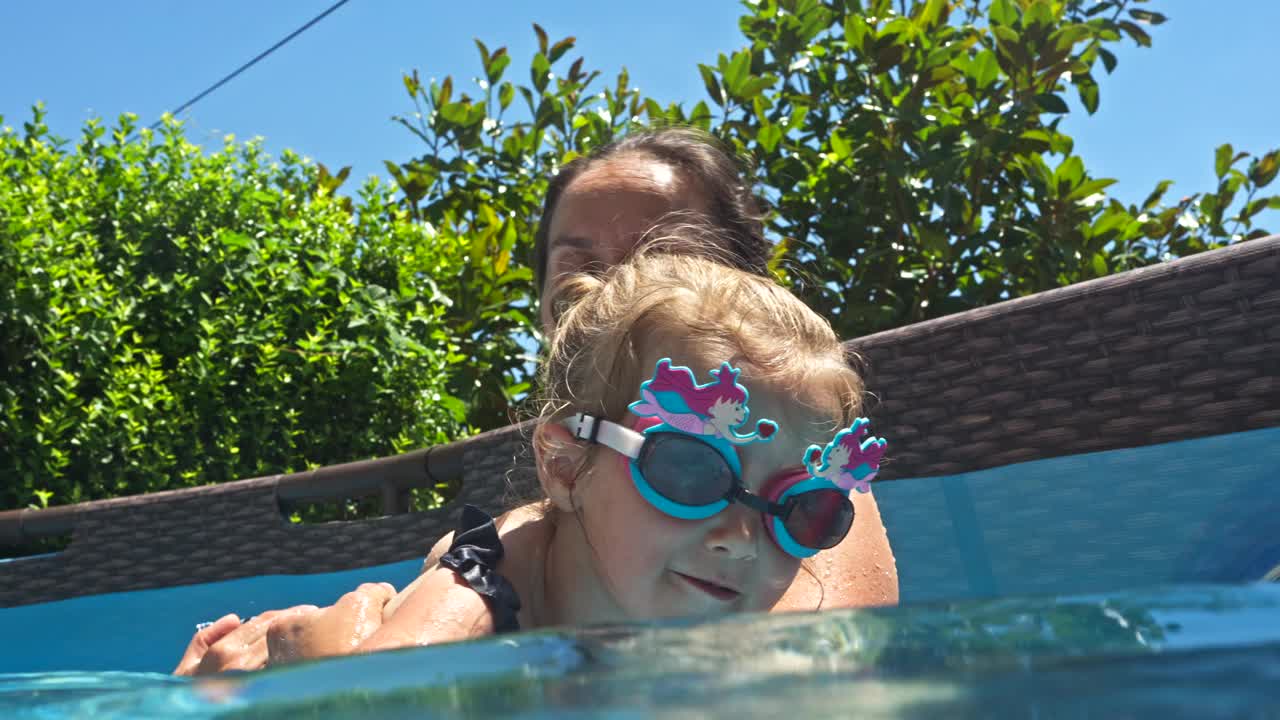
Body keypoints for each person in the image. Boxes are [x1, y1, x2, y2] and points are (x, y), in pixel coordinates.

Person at [174, 129, 897, 676]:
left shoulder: (806, 499)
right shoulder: (513, 548)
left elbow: (829, 680)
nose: (616, 287)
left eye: (663, 254)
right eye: (579, 264)